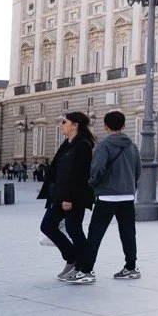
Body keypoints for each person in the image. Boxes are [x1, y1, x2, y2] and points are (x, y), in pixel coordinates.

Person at [84, 111, 142, 281]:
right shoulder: (132, 146)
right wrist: (129, 186)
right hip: (127, 196)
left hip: (107, 196)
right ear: (124, 126)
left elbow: (96, 169)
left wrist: (93, 185)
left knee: (96, 232)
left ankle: (87, 270)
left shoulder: (104, 145)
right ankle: (131, 267)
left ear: (105, 126)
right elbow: (138, 171)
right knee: (128, 233)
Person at [41, 112, 97, 283]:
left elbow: (79, 174)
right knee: (47, 226)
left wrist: (68, 198)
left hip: (74, 196)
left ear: (75, 125)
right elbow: (59, 170)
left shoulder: (83, 145)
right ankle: (73, 258)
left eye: (64, 122)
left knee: (74, 229)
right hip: (60, 194)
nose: (61, 124)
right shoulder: (68, 143)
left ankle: (86, 267)